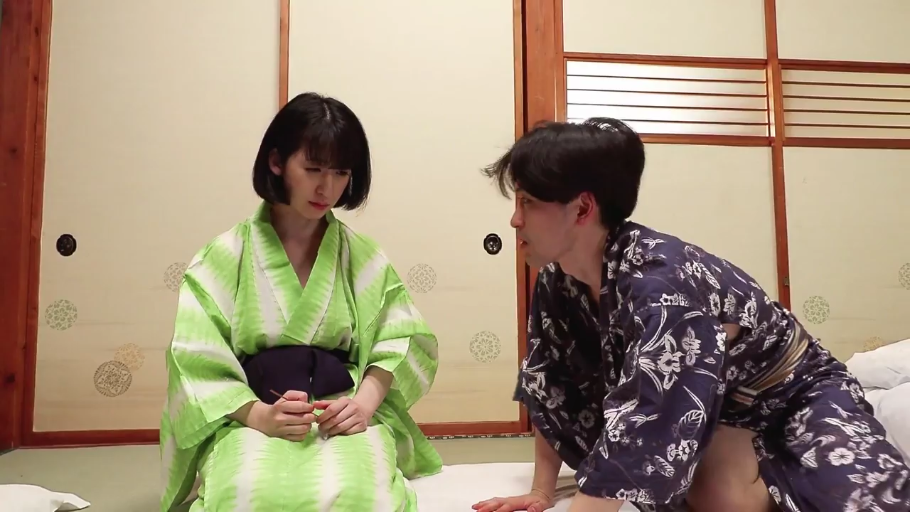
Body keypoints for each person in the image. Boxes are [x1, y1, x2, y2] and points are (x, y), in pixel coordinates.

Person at [473, 118, 910, 512]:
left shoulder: (660, 282)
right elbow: (552, 381)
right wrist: (542, 491)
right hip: (721, 407)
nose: (515, 220)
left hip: (797, 392)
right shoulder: (557, 280)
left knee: (869, 500)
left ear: (583, 209)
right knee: (715, 497)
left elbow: (650, 409)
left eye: (528, 202)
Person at [159, 92, 442, 512]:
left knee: (362, 496)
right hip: (253, 413)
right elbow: (196, 356)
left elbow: (399, 339)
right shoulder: (224, 256)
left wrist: (362, 406)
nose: (327, 187)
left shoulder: (362, 256)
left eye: (341, 172)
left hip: (339, 411)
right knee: (248, 495)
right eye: (312, 169)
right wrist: (258, 415)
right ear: (277, 162)